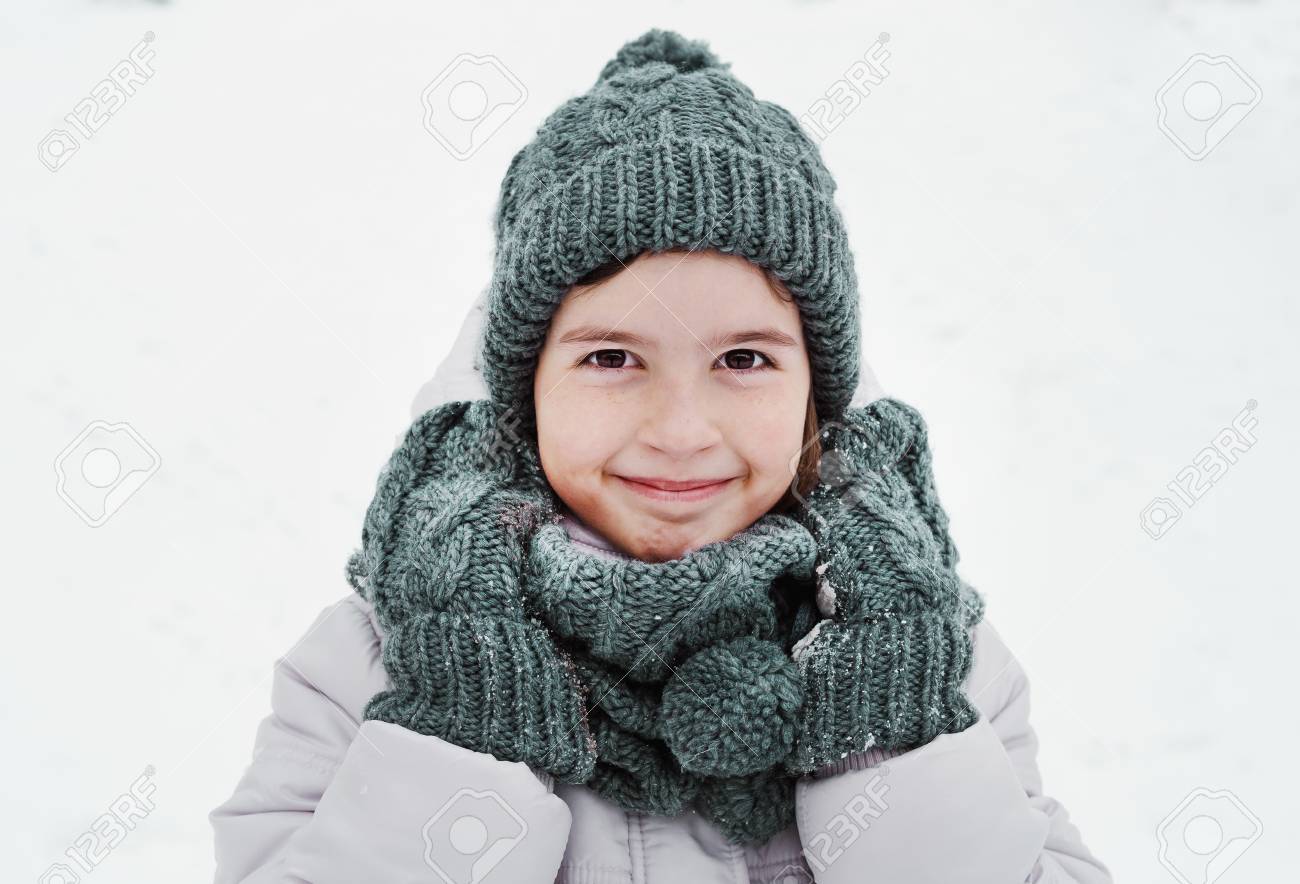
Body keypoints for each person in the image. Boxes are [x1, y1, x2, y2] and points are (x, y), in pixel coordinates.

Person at [210, 29, 1112, 884]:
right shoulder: (372, 658)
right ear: (525, 385)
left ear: (817, 390)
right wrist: (465, 727)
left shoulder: (935, 647)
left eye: (744, 359)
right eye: (611, 358)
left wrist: (885, 727)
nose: (681, 430)